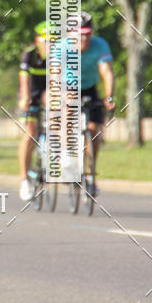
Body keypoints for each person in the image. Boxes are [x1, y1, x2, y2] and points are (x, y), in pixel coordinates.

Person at [59, 12, 115, 193]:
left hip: (90, 87)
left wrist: (109, 96)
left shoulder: (100, 45)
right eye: (80, 34)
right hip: (66, 86)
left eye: (88, 33)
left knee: (94, 130)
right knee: (68, 108)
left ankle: (90, 174)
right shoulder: (61, 47)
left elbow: (106, 72)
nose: (84, 38)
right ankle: (67, 153)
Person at [18, 21, 51, 201]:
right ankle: (24, 179)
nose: (49, 45)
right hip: (31, 91)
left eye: (53, 41)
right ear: (37, 41)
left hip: (49, 90)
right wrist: (24, 98)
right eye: (45, 41)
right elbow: (24, 80)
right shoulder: (29, 55)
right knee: (30, 132)